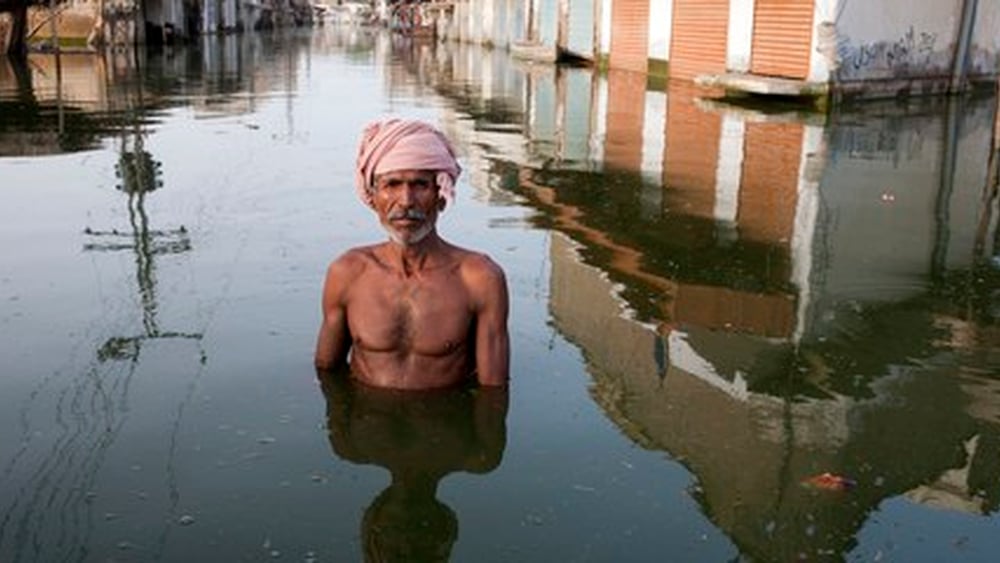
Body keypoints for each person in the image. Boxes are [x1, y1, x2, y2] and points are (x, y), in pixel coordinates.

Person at [314, 117, 510, 389]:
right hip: (368, 426)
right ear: (373, 197)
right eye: (392, 185)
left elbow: (494, 391)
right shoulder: (347, 273)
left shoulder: (480, 278)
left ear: (441, 196)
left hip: (442, 426)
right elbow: (326, 373)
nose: (406, 201)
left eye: (420, 185)